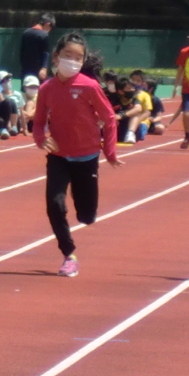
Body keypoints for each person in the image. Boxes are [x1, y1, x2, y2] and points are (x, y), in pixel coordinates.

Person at [30, 32, 122, 276]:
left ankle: (86, 213)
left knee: (87, 215)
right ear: (56, 56)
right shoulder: (47, 88)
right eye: (68, 55)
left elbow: (109, 118)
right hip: (59, 156)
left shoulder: (89, 86)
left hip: (87, 156)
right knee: (55, 204)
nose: (72, 60)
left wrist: (109, 151)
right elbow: (38, 122)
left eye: (78, 57)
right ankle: (68, 253)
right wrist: (41, 139)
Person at [19, 14, 55, 97]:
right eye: (50, 28)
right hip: (38, 69)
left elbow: (22, 52)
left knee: (25, 91)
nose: (49, 31)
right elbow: (45, 53)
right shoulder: (43, 35)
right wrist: (44, 67)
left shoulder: (26, 33)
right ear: (48, 24)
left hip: (26, 68)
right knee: (39, 91)